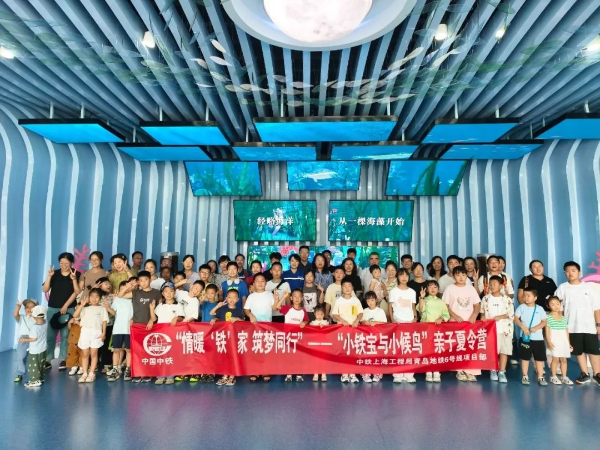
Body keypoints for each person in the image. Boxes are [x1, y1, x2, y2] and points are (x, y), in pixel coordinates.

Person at [554, 261, 600, 385]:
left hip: (589, 326)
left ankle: (597, 374)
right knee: (579, 351)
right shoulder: (562, 288)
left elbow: (596, 307)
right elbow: (558, 309)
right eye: (567, 271)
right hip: (572, 327)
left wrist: (598, 324)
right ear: (565, 273)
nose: (570, 273)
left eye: (573, 270)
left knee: (594, 351)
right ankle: (584, 374)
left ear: (579, 272)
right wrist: (561, 326)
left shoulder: (588, 287)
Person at [42, 252, 81, 371]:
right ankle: (48, 359)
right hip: (53, 308)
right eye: (61, 263)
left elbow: (77, 292)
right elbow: (45, 289)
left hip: (68, 308)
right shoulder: (54, 273)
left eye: (66, 263)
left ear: (72, 263)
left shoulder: (76, 274)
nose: (64, 265)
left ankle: (63, 358)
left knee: (66, 335)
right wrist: (49, 276)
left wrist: (65, 306)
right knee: (50, 335)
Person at [443, 266, 481, 382]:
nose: (461, 277)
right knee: (458, 346)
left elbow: (477, 305)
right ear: (453, 276)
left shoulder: (471, 289)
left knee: (470, 346)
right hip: (455, 323)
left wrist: (474, 315)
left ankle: (471, 370)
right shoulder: (449, 288)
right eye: (458, 275)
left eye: (463, 275)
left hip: (470, 323)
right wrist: (455, 316)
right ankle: (459, 370)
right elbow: (445, 306)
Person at [126, 270, 161, 383]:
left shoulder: (156, 293)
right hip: (137, 325)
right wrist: (128, 286)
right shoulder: (136, 293)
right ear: (138, 282)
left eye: (145, 280)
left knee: (148, 350)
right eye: (140, 280)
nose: (143, 282)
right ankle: (138, 372)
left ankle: (147, 373)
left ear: (150, 280)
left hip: (150, 326)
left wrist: (151, 320)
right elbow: (121, 295)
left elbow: (160, 308)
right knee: (137, 350)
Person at [480, 276, 514, 383]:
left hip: (505, 329)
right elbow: (482, 313)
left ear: (501, 286)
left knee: (504, 351)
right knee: (492, 351)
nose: (492, 286)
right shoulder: (485, 299)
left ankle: (502, 371)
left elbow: (511, 314)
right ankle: (493, 369)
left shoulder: (507, 299)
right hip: (491, 330)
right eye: (490, 284)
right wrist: (483, 318)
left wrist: (500, 317)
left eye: (494, 284)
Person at [244, 273, 277, 382]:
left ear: (266, 283)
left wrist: (277, 299)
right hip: (255, 327)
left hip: (267, 327)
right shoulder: (251, 296)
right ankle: (255, 371)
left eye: (262, 281)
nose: (260, 283)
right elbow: (246, 309)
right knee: (255, 349)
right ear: (253, 284)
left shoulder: (270, 295)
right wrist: (250, 315)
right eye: (257, 281)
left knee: (266, 348)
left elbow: (275, 308)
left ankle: (265, 370)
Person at [150, 281, 184, 385]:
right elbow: (154, 318)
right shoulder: (160, 306)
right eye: (166, 291)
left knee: (171, 355)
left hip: (173, 335)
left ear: (174, 292)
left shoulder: (178, 305)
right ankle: (160, 376)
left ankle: (170, 375)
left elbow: (181, 317)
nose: (168, 294)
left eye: (171, 291)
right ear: (163, 293)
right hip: (161, 335)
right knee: (161, 355)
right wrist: (151, 309)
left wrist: (176, 318)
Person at [388, 268, 417, 383]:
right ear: (398, 277)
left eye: (406, 275)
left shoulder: (412, 292)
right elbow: (390, 306)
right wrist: (392, 319)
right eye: (401, 275)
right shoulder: (394, 291)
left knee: (409, 348)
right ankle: (398, 374)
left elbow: (413, 306)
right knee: (398, 347)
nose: (404, 277)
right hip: (398, 321)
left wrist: (415, 317)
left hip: (409, 321)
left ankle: (409, 373)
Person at [332, 277, 363, 383]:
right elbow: (335, 314)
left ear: (352, 288)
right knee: (343, 351)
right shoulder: (339, 300)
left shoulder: (355, 300)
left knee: (353, 351)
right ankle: (344, 373)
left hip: (353, 329)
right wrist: (342, 321)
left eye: (349, 286)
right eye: (344, 286)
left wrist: (357, 320)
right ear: (341, 288)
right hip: (342, 329)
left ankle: (352, 373)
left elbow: (360, 313)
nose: (347, 288)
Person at [211, 290, 245, 387]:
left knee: (232, 356)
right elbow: (212, 313)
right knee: (224, 357)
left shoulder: (239, 310)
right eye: (229, 297)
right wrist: (218, 307)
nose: (231, 299)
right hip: (223, 337)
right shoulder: (222, 309)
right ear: (226, 298)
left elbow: (243, 322)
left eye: (234, 297)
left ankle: (232, 376)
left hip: (234, 338)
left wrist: (237, 319)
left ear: (238, 299)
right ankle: (225, 375)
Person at [514, 287, 548, 386]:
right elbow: (516, 318)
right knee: (525, 358)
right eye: (524, 295)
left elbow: (544, 322)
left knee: (539, 358)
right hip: (525, 338)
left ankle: (540, 376)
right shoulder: (521, 307)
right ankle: (525, 375)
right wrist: (523, 327)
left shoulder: (540, 309)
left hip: (538, 338)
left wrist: (536, 328)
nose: (526, 298)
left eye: (528, 296)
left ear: (535, 297)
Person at [74, 288, 108, 383]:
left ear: (100, 298)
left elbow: (104, 321)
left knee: (93, 353)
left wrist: (103, 333)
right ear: (89, 297)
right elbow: (75, 315)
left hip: (96, 332)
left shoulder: (102, 309)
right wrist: (81, 305)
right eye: (92, 296)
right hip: (85, 331)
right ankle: (85, 373)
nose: (94, 299)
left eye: (97, 297)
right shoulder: (85, 308)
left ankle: (92, 373)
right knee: (85, 354)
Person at [417, 280, 449, 382]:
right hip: (426, 329)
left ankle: (436, 370)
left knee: (436, 349)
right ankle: (428, 370)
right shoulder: (424, 300)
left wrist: (441, 318)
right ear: (426, 289)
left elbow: (446, 314)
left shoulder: (441, 302)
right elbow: (420, 309)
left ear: (438, 289)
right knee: (427, 349)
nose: (433, 289)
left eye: (435, 287)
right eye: (430, 287)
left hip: (437, 330)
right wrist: (422, 298)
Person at [275, 289, 309, 382]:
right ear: (291, 298)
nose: (297, 298)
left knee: (299, 356)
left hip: (298, 338)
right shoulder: (288, 308)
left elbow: (306, 320)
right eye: (295, 296)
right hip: (288, 337)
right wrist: (283, 297)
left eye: (299, 296)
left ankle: (299, 374)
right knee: (289, 356)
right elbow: (277, 306)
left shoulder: (303, 310)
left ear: (302, 298)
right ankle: (289, 373)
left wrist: (304, 323)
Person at [105, 281, 134, 382]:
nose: (125, 290)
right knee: (116, 350)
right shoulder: (117, 299)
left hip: (129, 329)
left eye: (127, 288)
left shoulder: (133, 299)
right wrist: (108, 308)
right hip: (118, 329)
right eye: (122, 288)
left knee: (129, 350)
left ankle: (128, 369)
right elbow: (114, 313)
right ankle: (115, 369)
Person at [545, 296, 574, 386]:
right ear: (548, 306)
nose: (556, 306)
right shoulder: (548, 317)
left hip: (563, 341)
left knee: (564, 359)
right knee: (555, 359)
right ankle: (553, 376)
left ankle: (564, 376)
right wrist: (549, 342)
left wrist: (568, 343)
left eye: (558, 304)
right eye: (553, 304)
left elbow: (566, 331)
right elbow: (547, 331)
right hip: (554, 341)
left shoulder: (563, 318)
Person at [361, 291, 387, 383]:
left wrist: (375, 322)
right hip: (367, 337)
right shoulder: (364, 311)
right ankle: (366, 374)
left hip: (378, 337)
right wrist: (365, 322)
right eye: (368, 301)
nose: (370, 302)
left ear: (376, 300)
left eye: (372, 300)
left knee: (377, 355)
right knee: (366, 356)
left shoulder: (380, 311)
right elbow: (361, 322)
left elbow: (384, 323)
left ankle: (377, 373)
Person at [21, 305, 48, 388]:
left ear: (34, 316)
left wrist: (24, 339)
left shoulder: (35, 328)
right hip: (43, 349)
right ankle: (41, 378)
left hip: (35, 351)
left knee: (33, 366)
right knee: (41, 364)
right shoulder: (45, 323)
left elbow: (34, 338)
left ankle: (34, 381)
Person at [13, 299, 36, 383]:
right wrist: (18, 307)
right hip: (23, 339)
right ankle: (20, 373)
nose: (29, 309)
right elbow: (15, 315)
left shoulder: (37, 318)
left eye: (32, 307)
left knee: (33, 358)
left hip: (34, 339)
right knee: (20, 356)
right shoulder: (22, 317)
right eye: (27, 307)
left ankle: (35, 374)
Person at [310, 305, 329, 382]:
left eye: (321, 314)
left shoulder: (326, 323)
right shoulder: (312, 323)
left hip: (324, 345)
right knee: (316, 360)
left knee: (323, 359)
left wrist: (324, 326)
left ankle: (324, 374)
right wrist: (316, 327)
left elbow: (328, 331)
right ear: (314, 314)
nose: (319, 316)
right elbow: (310, 331)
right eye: (318, 314)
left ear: (324, 314)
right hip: (315, 345)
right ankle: (316, 374)